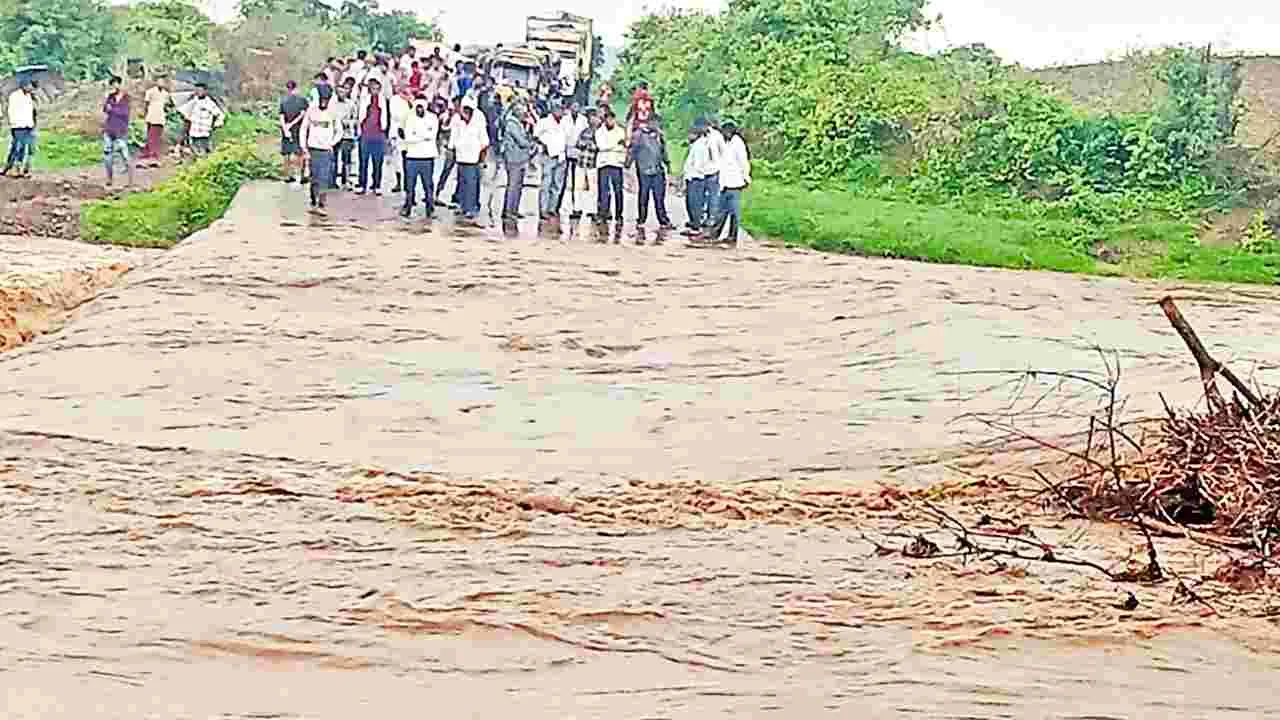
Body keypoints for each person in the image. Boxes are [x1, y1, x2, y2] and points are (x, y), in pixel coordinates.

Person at [699, 120, 750, 246]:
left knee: (734, 212)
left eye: (728, 132)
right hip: (725, 183)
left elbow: (743, 161)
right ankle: (714, 234)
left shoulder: (738, 143)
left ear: (732, 131)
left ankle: (732, 236)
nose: (726, 134)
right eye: (724, 132)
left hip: (736, 183)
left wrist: (746, 177)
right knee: (721, 211)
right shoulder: (724, 143)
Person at [450, 94, 488, 225]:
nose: (465, 112)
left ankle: (471, 208)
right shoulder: (456, 118)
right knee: (462, 183)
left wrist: (482, 156)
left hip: (474, 156)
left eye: (468, 109)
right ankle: (463, 206)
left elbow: (484, 139)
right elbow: (453, 136)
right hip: (461, 155)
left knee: (472, 183)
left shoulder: (479, 117)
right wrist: (452, 149)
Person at [627, 118, 672, 229]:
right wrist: (628, 163)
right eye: (655, 123)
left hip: (658, 170)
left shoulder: (659, 136)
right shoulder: (638, 135)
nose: (657, 125)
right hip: (644, 170)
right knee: (643, 196)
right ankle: (641, 219)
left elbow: (663, 151)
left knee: (659, 197)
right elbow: (632, 150)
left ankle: (663, 220)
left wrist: (667, 164)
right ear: (649, 123)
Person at [398, 96, 439, 219]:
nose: (420, 109)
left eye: (422, 107)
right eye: (418, 107)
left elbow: (432, 135)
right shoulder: (409, 118)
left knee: (428, 185)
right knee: (410, 184)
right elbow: (408, 137)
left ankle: (430, 208)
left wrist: (418, 135)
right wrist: (422, 136)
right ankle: (408, 207)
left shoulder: (433, 118)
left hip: (428, 156)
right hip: (412, 156)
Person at [301, 85, 340, 213]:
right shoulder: (311, 111)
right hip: (313, 148)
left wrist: (332, 143)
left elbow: (339, 131)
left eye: (326, 100)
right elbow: (304, 128)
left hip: (326, 150)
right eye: (322, 100)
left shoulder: (333, 113)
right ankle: (314, 199)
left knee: (324, 177)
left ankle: (321, 203)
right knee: (314, 177)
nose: (324, 102)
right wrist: (304, 146)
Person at [499, 96, 534, 222]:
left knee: (518, 186)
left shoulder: (518, 123)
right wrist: (531, 143)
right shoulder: (511, 123)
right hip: (513, 158)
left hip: (520, 158)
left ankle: (514, 209)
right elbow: (521, 141)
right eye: (521, 110)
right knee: (513, 186)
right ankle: (508, 210)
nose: (524, 112)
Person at [356, 77, 391, 195]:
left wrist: (385, 132)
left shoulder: (383, 101)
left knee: (378, 161)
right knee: (363, 161)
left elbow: (386, 118)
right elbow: (360, 116)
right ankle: (362, 184)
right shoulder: (365, 100)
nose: (374, 90)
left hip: (379, 134)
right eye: (372, 88)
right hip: (365, 133)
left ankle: (376, 185)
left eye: (377, 88)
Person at [534, 103, 568, 220]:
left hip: (561, 156)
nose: (561, 112)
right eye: (559, 110)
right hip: (548, 156)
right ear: (553, 110)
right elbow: (536, 136)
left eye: (562, 110)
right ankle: (543, 209)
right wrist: (545, 146)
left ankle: (552, 208)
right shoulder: (544, 122)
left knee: (557, 184)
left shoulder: (564, 122)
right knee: (546, 183)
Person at [593, 110, 627, 224]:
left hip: (616, 163)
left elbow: (622, 146)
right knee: (604, 190)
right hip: (603, 163)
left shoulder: (620, 131)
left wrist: (615, 146)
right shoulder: (599, 132)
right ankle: (603, 213)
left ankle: (619, 215)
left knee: (618, 190)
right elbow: (601, 146)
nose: (610, 121)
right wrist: (615, 145)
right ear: (605, 120)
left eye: (612, 119)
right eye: (608, 119)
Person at [682, 121, 713, 233]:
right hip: (693, 177)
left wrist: (692, 172)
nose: (689, 136)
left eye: (690, 134)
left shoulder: (700, 146)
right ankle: (693, 222)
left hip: (696, 177)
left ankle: (696, 225)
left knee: (695, 202)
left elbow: (699, 164)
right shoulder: (696, 145)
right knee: (690, 201)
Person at [102, 76, 133, 187]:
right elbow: (105, 109)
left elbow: (124, 113)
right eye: (113, 84)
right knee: (107, 154)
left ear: (120, 84)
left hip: (121, 129)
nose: (115, 86)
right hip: (109, 128)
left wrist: (112, 109)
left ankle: (130, 180)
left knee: (124, 154)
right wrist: (110, 108)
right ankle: (109, 178)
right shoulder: (110, 97)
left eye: (116, 84)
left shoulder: (127, 98)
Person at [560, 102, 589, 218]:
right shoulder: (564, 120)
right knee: (562, 180)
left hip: (579, 153)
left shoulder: (583, 120)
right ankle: (557, 206)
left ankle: (577, 207)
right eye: (573, 106)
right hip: (566, 151)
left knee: (577, 182)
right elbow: (562, 134)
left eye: (577, 107)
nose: (575, 109)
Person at [178, 83, 224, 157]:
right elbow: (183, 112)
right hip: (194, 131)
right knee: (195, 150)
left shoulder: (210, 103)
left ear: (205, 91)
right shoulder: (193, 102)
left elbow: (219, 115)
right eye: (197, 90)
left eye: (201, 90)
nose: (199, 92)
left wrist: (216, 124)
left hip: (205, 132)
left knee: (204, 150)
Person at [2, 81, 36, 178]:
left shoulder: (29, 97)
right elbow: (11, 111)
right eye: (30, 86)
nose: (31, 88)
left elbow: (30, 111)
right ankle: (13, 168)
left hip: (28, 125)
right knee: (18, 147)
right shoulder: (15, 96)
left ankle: (22, 169)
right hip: (18, 125)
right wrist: (14, 124)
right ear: (24, 85)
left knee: (29, 147)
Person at [279, 80, 309, 183]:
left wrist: (285, 128)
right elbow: (303, 114)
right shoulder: (302, 100)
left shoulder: (283, 100)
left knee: (287, 152)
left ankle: (288, 175)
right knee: (300, 152)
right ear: (296, 88)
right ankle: (302, 175)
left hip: (287, 130)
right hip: (299, 129)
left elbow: (281, 116)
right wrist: (291, 124)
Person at [140, 76, 171, 167]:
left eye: (163, 82)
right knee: (151, 135)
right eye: (159, 81)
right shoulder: (150, 92)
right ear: (156, 82)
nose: (161, 83)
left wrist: (167, 111)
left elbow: (166, 106)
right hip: (151, 115)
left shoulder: (166, 94)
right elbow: (146, 104)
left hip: (160, 116)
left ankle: (153, 154)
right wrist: (145, 114)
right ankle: (151, 154)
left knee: (157, 136)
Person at [387, 86, 413, 193]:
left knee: (407, 160)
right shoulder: (394, 100)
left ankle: (408, 185)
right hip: (397, 133)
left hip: (409, 134)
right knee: (397, 160)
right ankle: (398, 182)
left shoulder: (411, 100)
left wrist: (409, 101)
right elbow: (396, 115)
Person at [335, 78, 359, 189]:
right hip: (334, 135)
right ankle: (333, 179)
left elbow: (355, 120)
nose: (341, 93)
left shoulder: (351, 104)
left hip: (347, 135)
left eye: (343, 91)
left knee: (346, 158)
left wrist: (348, 123)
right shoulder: (332, 104)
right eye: (339, 91)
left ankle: (347, 180)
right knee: (334, 158)